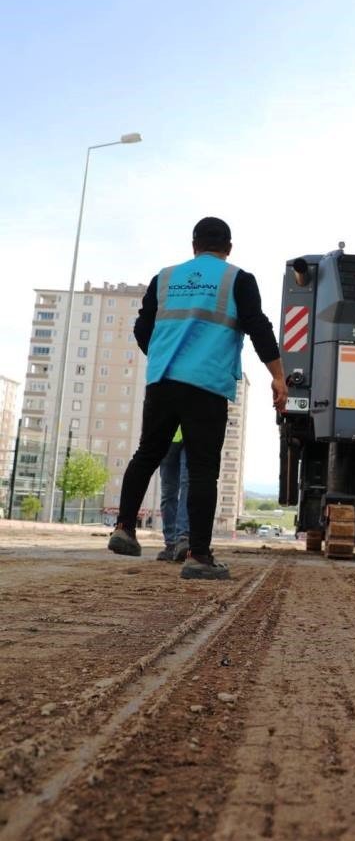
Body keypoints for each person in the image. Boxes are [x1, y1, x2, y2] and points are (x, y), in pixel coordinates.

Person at [108, 216, 287, 579]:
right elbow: (258, 327)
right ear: (229, 248)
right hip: (205, 385)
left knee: (148, 453)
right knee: (203, 468)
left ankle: (124, 527)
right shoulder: (237, 279)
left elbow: (143, 327)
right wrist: (278, 377)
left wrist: (162, 356)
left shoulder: (165, 278)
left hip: (162, 382)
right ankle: (198, 556)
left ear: (193, 246)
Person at [156, 426, 190, 562]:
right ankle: (171, 543)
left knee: (187, 484)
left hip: (191, 434)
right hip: (168, 436)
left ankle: (183, 537)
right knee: (168, 493)